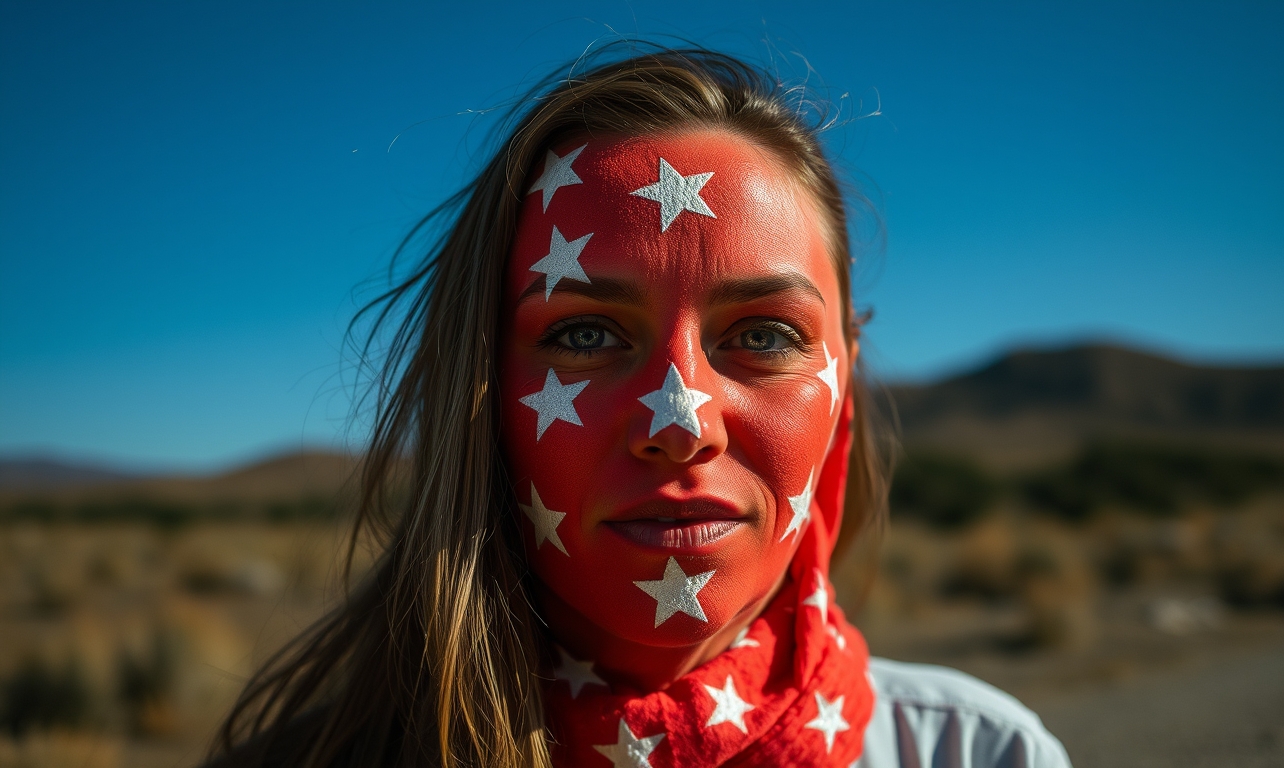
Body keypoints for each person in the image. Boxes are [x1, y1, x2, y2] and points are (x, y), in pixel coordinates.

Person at [208, 46, 1071, 768]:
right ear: (482, 390)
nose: (681, 422)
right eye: (584, 336)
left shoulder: (980, 752)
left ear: (844, 376)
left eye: (765, 335)